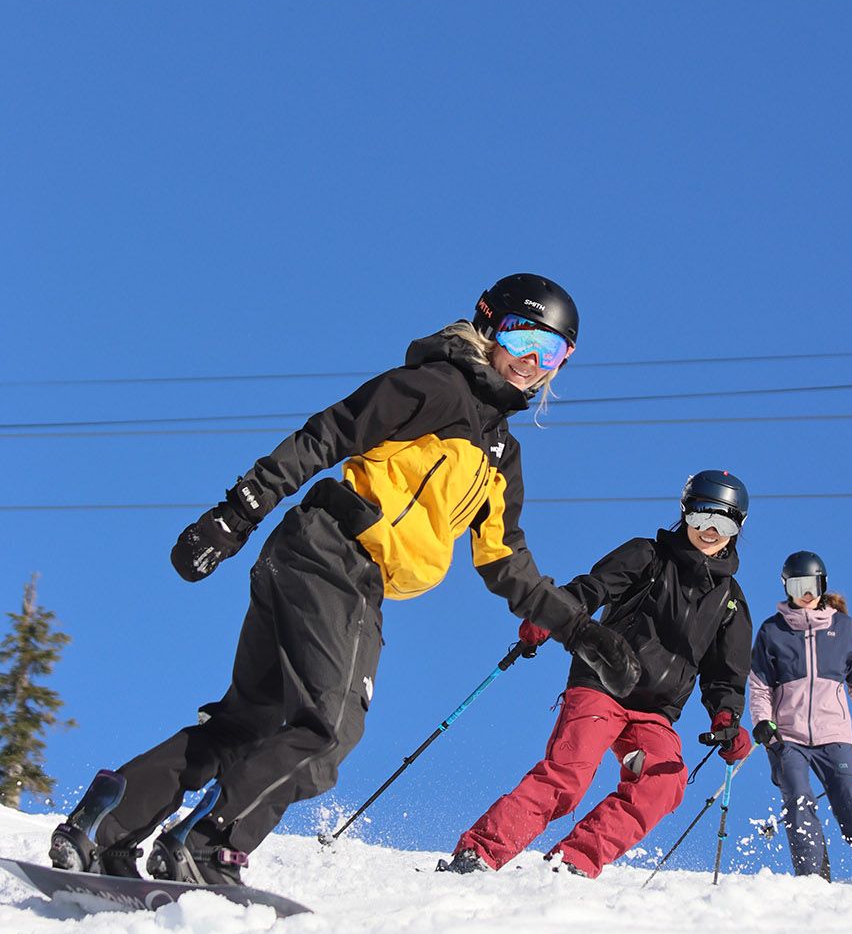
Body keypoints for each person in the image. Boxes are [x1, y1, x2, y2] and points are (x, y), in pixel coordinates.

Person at [49, 274, 640, 885]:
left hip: (325, 566)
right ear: (489, 327)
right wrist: (236, 514)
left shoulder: (500, 457)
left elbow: (505, 563)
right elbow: (327, 434)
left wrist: (580, 631)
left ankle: (105, 823)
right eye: (523, 339)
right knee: (327, 730)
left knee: (245, 723)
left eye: (552, 352)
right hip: (337, 560)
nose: (532, 363)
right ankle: (209, 845)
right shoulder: (437, 386)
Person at [440, 469, 754, 879]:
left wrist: (726, 717)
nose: (710, 530)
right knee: (568, 777)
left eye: (724, 522)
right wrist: (550, 615)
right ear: (685, 513)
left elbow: (726, 674)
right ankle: (480, 852)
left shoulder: (731, 602)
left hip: (655, 713)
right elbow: (593, 588)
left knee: (665, 782)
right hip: (602, 685)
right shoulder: (648, 556)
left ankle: (573, 860)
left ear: (738, 528)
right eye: (702, 516)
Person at [748, 550, 852, 890]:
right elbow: (760, 686)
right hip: (787, 738)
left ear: (823, 585)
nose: (806, 594)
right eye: (798, 586)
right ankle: (814, 885)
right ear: (786, 587)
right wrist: (763, 721)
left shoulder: (844, 628)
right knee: (798, 802)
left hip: (834, 737)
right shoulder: (772, 631)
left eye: (813, 585)